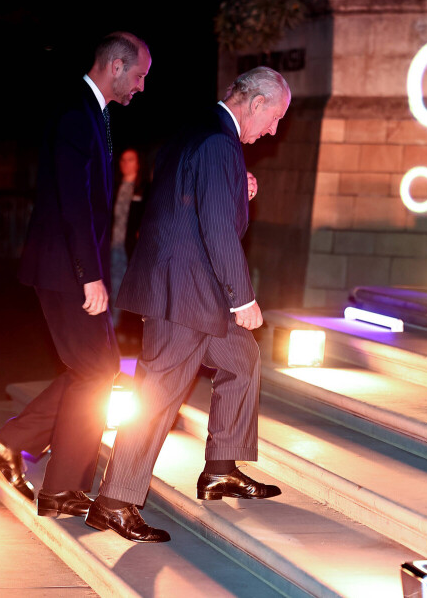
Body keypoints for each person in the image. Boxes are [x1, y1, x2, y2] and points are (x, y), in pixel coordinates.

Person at [85, 66, 290, 543]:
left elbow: (186, 192)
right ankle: (113, 502)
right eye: (275, 117)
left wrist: (237, 184)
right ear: (256, 103)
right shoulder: (218, 140)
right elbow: (216, 229)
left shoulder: (201, 128)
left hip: (189, 286)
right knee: (158, 395)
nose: (274, 129)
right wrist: (243, 298)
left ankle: (220, 469)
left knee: (241, 358)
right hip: (185, 291)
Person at [0, 32, 151, 519]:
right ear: (116, 66)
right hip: (64, 268)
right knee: (95, 371)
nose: (142, 86)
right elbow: (73, 202)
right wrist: (89, 275)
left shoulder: (95, 112)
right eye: (139, 75)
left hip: (67, 266)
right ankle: (57, 486)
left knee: (98, 368)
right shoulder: (77, 111)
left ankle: (11, 447)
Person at [110, 146, 146, 341]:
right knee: (113, 287)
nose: (126, 164)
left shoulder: (145, 189)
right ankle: (113, 330)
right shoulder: (113, 187)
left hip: (132, 249)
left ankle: (131, 331)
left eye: (130, 159)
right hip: (112, 246)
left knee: (131, 290)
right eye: (123, 160)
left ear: (138, 163)